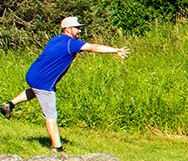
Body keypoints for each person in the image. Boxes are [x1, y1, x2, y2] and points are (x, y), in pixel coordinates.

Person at [0, 16, 129, 152]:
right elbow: (93, 47)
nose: (79, 31)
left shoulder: (56, 39)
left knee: (36, 91)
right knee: (51, 115)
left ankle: (9, 105)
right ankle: (57, 148)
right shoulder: (71, 43)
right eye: (77, 28)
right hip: (43, 82)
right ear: (68, 29)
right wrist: (116, 50)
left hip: (33, 74)